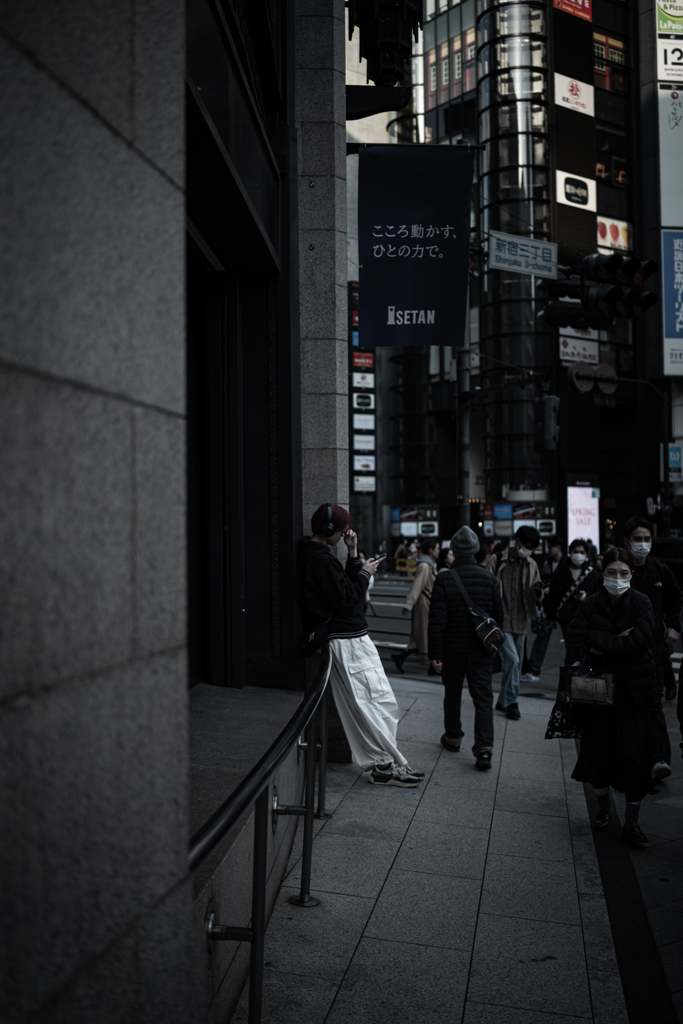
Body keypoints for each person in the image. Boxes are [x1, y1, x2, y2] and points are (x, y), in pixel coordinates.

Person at [299, 504, 423, 787]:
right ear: (328, 529)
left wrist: (354, 556)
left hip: (351, 638)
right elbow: (345, 599)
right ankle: (387, 766)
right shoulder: (319, 560)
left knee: (377, 702)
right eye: (342, 529)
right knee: (371, 703)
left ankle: (386, 764)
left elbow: (342, 588)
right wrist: (365, 574)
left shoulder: (322, 557)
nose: (344, 533)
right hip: (347, 641)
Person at [565, 548, 660, 846]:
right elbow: (576, 638)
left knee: (634, 757)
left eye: (623, 573)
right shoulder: (590, 604)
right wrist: (611, 642)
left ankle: (632, 822)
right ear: (602, 572)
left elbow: (640, 640)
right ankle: (603, 812)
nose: (617, 578)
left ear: (631, 574)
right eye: (611, 572)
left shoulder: (642, 602)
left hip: (634, 692)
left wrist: (599, 643)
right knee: (598, 753)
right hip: (597, 691)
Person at [428, 526, 505, 769]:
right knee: (483, 698)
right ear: (475, 550)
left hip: (452, 650)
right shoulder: (489, 578)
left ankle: (453, 737)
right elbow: (498, 618)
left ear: (454, 551)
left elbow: (437, 620)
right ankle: (483, 750)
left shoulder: (444, 578)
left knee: (452, 694)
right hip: (481, 652)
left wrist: (435, 653)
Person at [622, 516, 682, 781]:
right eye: (638, 539)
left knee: (654, 706)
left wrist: (673, 626)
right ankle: (626, 757)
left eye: (647, 539)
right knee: (624, 705)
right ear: (627, 542)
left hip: (654, 652)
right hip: (623, 652)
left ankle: (658, 759)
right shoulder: (619, 570)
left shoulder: (660, 570)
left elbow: (675, 598)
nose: (643, 544)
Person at [488, 525, 543, 720]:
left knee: (515, 666)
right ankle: (512, 702)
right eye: (527, 546)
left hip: (520, 620)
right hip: (500, 621)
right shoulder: (496, 560)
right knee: (513, 660)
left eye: (533, 549)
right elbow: (488, 588)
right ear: (517, 542)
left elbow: (537, 595)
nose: (529, 552)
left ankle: (502, 701)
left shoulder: (531, 565)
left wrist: (538, 591)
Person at [392, 538, 440, 676]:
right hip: (424, 604)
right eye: (436, 548)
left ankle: (401, 657)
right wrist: (408, 605)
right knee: (427, 635)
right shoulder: (425, 566)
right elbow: (417, 586)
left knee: (419, 638)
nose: (438, 551)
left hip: (426, 603)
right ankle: (434, 667)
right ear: (430, 550)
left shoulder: (429, 564)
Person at [521, 535, 565, 683]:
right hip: (548, 604)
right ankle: (535, 665)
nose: (548, 550)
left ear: (558, 548)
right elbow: (545, 579)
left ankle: (572, 669)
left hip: (564, 606)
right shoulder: (547, 563)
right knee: (543, 635)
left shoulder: (566, 563)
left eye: (550, 547)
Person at [546, 538, 602, 648]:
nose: (578, 555)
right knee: (571, 646)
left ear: (586, 554)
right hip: (566, 617)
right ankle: (572, 665)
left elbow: (599, 595)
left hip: (586, 618)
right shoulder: (560, 571)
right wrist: (552, 618)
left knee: (584, 645)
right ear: (570, 553)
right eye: (575, 552)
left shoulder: (593, 574)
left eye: (582, 552)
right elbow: (553, 596)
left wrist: (587, 596)